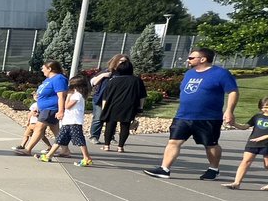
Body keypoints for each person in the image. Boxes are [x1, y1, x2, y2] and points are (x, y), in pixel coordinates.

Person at [145, 47, 238, 180]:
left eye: (191, 58)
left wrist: (229, 111)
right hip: (183, 115)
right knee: (173, 141)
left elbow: (233, 92)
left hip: (208, 117)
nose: (188, 60)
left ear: (203, 59)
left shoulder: (221, 73)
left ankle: (213, 168)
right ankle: (164, 169)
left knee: (210, 144)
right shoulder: (189, 74)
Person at [14, 61, 68, 156]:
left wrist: (60, 111)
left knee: (39, 127)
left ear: (50, 69)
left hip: (51, 108)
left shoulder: (59, 79)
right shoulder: (48, 80)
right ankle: (65, 150)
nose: (42, 70)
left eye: (43, 68)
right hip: (44, 108)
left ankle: (28, 149)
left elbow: (61, 96)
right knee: (55, 129)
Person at [38, 75, 94, 166]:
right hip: (68, 121)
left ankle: (87, 157)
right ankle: (48, 156)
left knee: (79, 140)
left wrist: (68, 96)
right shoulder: (76, 95)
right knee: (59, 139)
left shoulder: (77, 95)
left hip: (74, 122)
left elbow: (67, 106)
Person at [97, 57, 146, 152]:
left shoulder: (113, 80)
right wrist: (140, 107)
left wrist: (104, 109)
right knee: (125, 126)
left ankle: (107, 145)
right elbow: (142, 96)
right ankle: (120, 146)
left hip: (113, 105)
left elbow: (105, 97)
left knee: (110, 125)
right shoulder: (137, 81)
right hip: (129, 106)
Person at [222, 97, 268, 190]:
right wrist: (234, 124)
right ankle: (236, 183)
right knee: (245, 161)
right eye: (263, 107)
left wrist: (263, 137)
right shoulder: (257, 117)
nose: (265, 109)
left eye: (267, 106)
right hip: (253, 142)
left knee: (267, 164)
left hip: (266, 144)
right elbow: (245, 127)